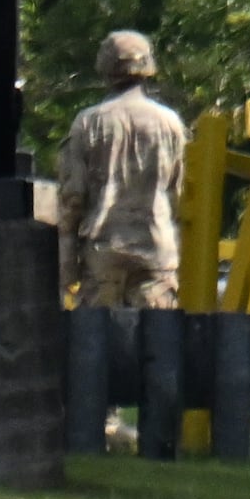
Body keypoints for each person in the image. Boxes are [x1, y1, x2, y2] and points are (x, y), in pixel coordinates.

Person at [59, 30, 189, 309]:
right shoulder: (170, 123)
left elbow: (73, 198)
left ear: (105, 68)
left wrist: (67, 262)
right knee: (156, 342)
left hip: (104, 251)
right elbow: (178, 191)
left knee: (100, 342)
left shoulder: (88, 123)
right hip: (155, 249)